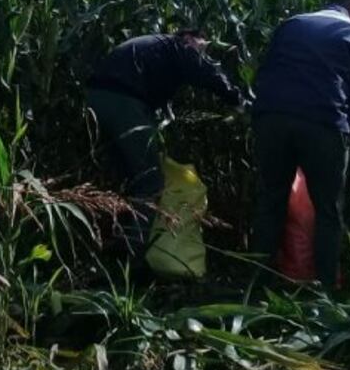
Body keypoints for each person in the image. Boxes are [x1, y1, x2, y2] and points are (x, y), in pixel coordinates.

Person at [250, 0, 350, 286]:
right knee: (328, 210)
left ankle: (256, 283)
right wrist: (348, 139)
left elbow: (266, 70)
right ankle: (326, 290)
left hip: (272, 118)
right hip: (323, 122)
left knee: (271, 200)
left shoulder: (292, 22)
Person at [86, 30, 246, 255]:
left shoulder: (156, 47)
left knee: (128, 178)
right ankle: (132, 257)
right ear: (188, 39)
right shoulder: (177, 46)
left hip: (98, 96)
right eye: (202, 46)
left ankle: (110, 249)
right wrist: (236, 100)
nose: (204, 51)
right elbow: (205, 71)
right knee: (150, 181)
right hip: (123, 101)